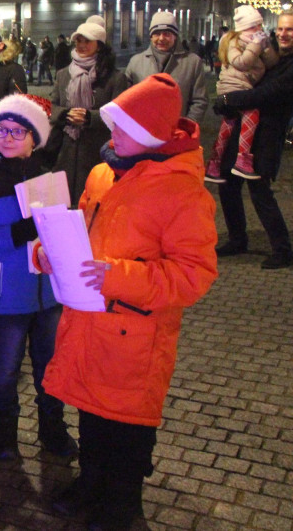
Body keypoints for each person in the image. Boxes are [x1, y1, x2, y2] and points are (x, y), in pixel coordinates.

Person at [41, 74, 217, 530]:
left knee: (127, 426)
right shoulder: (104, 172)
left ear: (147, 135)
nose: (111, 134)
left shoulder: (182, 190)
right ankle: (91, 482)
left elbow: (193, 275)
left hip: (135, 332)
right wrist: (52, 253)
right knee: (92, 415)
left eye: (121, 128)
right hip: (89, 321)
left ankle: (122, 503)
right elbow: (82, 226)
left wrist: (117, 276)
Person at [0, 93, 76, 461]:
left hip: (50, 295)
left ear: (33, 138)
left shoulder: (47, 177)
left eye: (17, 131)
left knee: (50, 370)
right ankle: (5, 434)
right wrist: (15, 234)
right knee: (6, 371)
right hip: (8, 296)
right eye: (1, 130)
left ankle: (52, 429)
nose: (7, 137)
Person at [214, 11, 293, 269]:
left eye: (289, 30)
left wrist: (229, 100)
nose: (283, 34)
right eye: (281, 29)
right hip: (246, 130)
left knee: (260, 192)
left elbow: (267, 94)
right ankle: (238, 238)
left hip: (267, 136)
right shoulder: (276, 58)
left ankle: (282, 249)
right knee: (227, 181)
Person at [50, 21, 129, 205]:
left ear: (99, 45)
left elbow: (119, 115)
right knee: (65, 205)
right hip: (65, 153)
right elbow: (52, 106)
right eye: (78, 41)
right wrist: (65, 114)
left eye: (87, 41)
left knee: (94, 205)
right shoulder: (63, 75)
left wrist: (89, 117)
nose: (81, 45)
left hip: (97, 153)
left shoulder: (115, 78)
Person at [205, 6, 277, 181]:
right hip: (233, 87)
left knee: (229, 123)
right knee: (252, 114)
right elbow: (241, 63)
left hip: (243, 87)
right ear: (245, 28)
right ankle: (242, 159)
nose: (258, 30)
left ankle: (214, 164)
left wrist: (265, 48)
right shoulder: (234, 42)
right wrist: (255, 45)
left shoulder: (257, 43)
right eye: (254, 27)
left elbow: (271, 63)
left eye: (260, 26)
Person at [124, 11, 209, 122]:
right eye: (157, 34)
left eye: (167, 34)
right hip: (143, 131)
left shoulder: (192, 62)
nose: (161, 38)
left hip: (178, 133)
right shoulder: (136, 62)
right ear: (151, 36)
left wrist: (186, 127)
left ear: (175, 36)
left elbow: (200, 100)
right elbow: (126, 98)